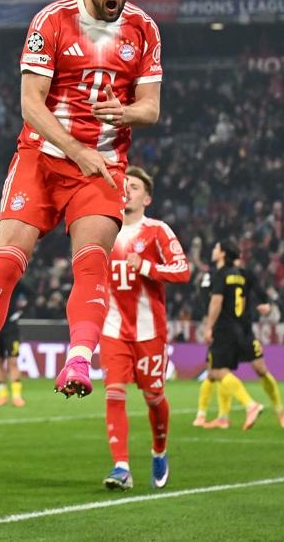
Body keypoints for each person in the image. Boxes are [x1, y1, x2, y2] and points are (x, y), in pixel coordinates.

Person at [0, 0, 162, 424]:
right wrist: (76, 149)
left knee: (92, 259)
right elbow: (31, 104)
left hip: (102, 166)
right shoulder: (52, 21)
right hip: (42, 158)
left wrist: (124, 113)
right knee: (6, 261)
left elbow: (150, 108)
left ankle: (79, 360)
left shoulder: (144, 30)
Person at [101, 166, 190, 491]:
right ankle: (121, 467)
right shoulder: (102, 230)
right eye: (124, 185)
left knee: (154, 398)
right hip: (112, 328)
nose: (127, 190)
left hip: (149, 331)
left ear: (147, 198)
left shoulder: (157, 231)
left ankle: (159, 449)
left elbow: (183, 271)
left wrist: (148, 266)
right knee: (114, 392)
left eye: (135, 187)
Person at [198, 239, 284, 430]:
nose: (213, 250)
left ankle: (261, 407)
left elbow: (216, 301)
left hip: (232, 329)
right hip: (241, 329)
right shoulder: (238, 274)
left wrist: (208, 327)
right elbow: (257, 294)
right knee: (227, 369)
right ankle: (224, 417)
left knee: (222, 370)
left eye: (216, 248)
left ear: (223, 254)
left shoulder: (225, 274)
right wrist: (265, 305)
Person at [0, 284, 29, 409]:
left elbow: (32, 294)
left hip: (10, 328)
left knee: (13, 361)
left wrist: (21, 311)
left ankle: (17, 396)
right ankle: (2, 396)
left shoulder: (14, 282)